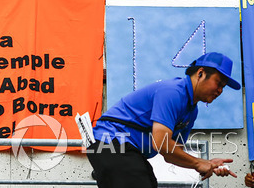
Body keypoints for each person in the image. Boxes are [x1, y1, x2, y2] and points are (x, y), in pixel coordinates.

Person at [88, 52, 239, 187]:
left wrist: (208, 164)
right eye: (218, 83)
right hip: (110, 143)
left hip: (128, 151)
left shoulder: (191, 111)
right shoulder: (172, 92)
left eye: (223, 87)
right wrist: (199, 163)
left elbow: (171, 153)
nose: (220, 90)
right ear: (200, 73)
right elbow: (161, 143)